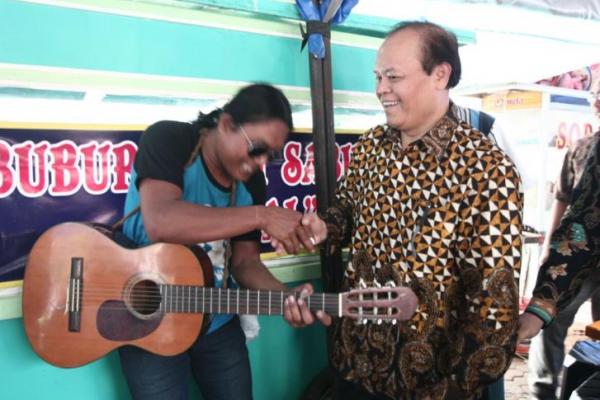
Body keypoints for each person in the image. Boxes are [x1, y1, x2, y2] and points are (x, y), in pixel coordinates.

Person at [294, 21, 524, 400]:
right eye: (378, 76)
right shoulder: (371, 147)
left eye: (393, 76)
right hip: (356, 362)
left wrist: (452, 389)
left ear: (440, 74)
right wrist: (323, 226)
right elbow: (348, 212)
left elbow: (492, 308)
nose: (381, 89)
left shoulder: (486, 169)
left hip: (431, 382)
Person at [118, 83, 327, 400]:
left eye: (269, 157)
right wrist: (261, 215)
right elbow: (161, 221)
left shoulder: (251, 182)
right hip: (146, 323)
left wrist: (286, 297)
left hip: (216, 324)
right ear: (227, 124)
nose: (260, 164)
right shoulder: (170, 139)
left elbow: (245, 264)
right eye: (257, 149)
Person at [520, 79, 600, 400]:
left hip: (580, 252)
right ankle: (543, 391)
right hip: (576, 253)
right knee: (549, 320)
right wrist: (548, 246)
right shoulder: (580, 148)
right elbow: (562, 199)